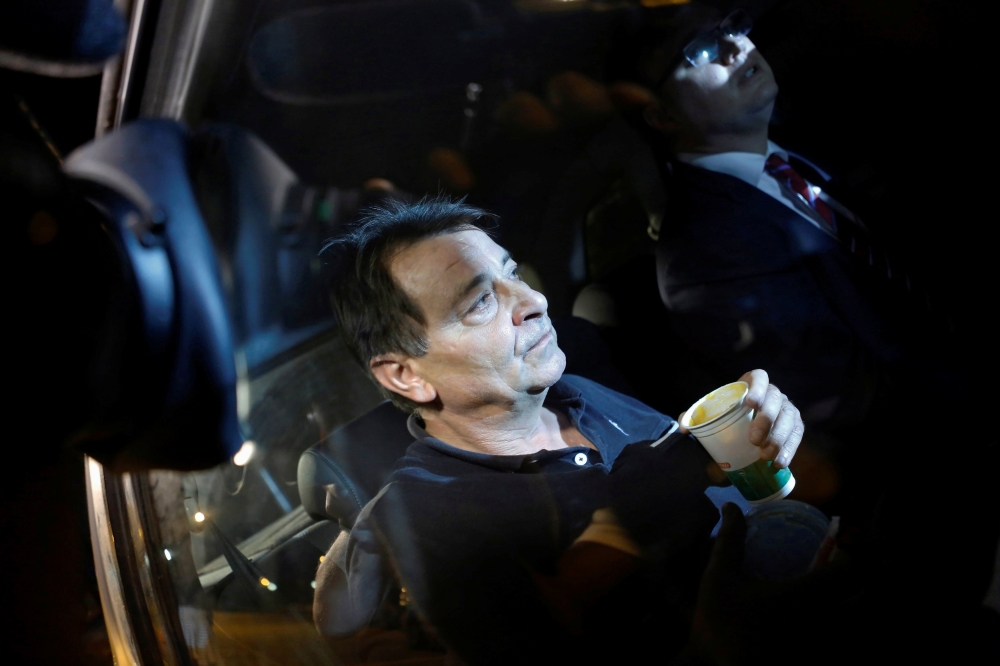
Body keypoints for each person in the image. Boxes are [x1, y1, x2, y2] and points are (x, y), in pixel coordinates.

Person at [313, 197, 816, 664]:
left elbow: (718, 490)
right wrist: (641, 508)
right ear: (407, 375)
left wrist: (751, 435)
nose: (534, 299)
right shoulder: (431, 517)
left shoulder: (577, 392)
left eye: (512, 272)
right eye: (479, 302)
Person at [633, 3, 953, 430]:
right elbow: (842, 394)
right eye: (702, 49)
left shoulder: (798, 147)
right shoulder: (701, 251)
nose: (737, 45)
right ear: (661, 116)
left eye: (733, 26)